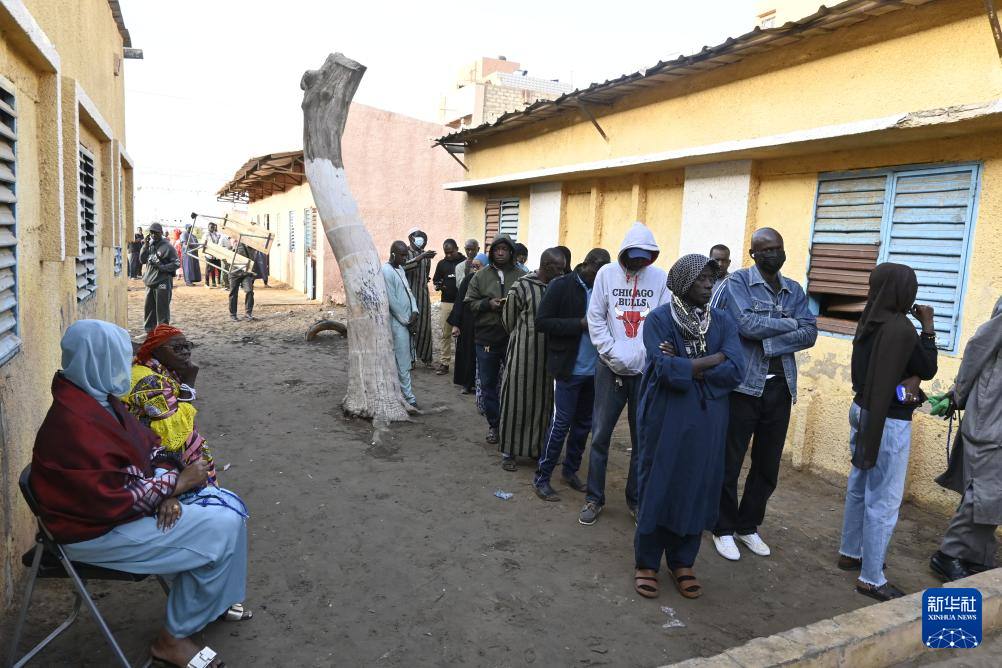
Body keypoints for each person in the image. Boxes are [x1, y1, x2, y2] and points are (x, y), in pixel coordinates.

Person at [30, 320, 247, 668]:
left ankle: (211, 602)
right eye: (119, 359)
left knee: (227, 506)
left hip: (123, 514)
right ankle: (172, 640)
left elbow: (152, 447)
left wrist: (167, 489)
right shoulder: (73, 424)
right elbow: (111, 498)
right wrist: (175, 484)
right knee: (221, 527)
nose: (126, 367)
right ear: (97, 361)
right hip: (92, 533)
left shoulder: (99, 401)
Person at [632, 255, 744, 600]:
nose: (709, 285)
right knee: (660, 482)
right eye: (702, 279)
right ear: (683, 283)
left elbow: (736, 369)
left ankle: (682, 561)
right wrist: (714, 358)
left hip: (709, 416)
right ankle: (647, 562)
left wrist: (689, 365)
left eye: (712, 279)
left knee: (698, 484)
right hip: (667, 414)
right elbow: (664, 369)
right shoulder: (659, 319)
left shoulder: (722, 320)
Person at [710, 228, 817, 561]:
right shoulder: (738, 282)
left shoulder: (794, 289)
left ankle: (747, 526)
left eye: (778, 248)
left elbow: (810, 332)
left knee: (768, 464)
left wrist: (769, 337)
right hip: (743, 386)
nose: (774, 254)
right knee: (730, 461)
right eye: (766, 249)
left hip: (780, 387)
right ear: (753, 253)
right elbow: (745, 325)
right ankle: (722, 527)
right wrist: (789, 323)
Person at [836, 263, 937, 600]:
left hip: (862, 409)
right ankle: (871, 578)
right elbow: (927, 367)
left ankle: (850, 552)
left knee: (859, 485)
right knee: (885, 498)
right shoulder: (902, 328)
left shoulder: (869, 319)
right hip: (887, 419)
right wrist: (928, 328)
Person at [579, 222, 669, 526]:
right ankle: (594, 497)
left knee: (641, 439)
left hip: (644, 370)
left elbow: (662, 320)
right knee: (600, 435)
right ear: (624, 253)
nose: (639, 261)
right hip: (609, 368)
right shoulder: (606, 275)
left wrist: (643, 355)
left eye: (645, 256)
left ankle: (636, 500)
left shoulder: (660, 278)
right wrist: (611, 352)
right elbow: (596, 317)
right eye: (634, 256)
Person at [929, 297, 1002, 581]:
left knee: (993, 496)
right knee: (983, 493)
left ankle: (976, 558)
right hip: (991, 420)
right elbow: (977, 349)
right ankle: (948, 555)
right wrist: (957, 395)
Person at [532, 248, 611, 501]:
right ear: (586, 264)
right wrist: (579, 324)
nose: (601, 275)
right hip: (568, 368)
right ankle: (542, 478)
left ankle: (570, 470)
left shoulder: (605, 289)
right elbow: (542, 322)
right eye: (598, 270)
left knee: (583, 425)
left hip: (596, 371)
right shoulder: (561, 285)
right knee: (561, 424)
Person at [498, 248, 566, 470]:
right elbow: (508, 322)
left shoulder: (559, 287)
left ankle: (537, 449)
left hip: (548, 357)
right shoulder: (521, 286)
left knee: (542, 404)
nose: (562, 272)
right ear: (546, 266)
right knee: (516, 401)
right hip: (522, 355)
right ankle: (509, 451)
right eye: (558, 268)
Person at [465, 235, 526, 444]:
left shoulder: (522, 276)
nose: (500, 252)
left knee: (515, 383)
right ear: (491, 252)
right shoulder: (480, 276)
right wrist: (487, 304)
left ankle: (513, 425)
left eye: (505, 249)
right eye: (497, 249)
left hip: (513, 337)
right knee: (488, 384)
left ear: (511, 252)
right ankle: (495, 425)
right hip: (487, 337)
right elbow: (469, 303)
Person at [382, 241, 420, 406]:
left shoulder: (400, 269)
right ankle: (409, 398)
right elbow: (392, 301)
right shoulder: (386, 271)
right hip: (398, 323)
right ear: (393, 254)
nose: (405, 258)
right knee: (402, 361)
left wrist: (415, 311)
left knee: (407, 358)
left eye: (406, 255)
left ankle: (405, 395)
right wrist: (406, 321)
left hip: (408, 321)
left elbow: (409, 292)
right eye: (402, 255)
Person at [449, 253, 487, 394]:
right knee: (467, 353)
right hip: (467, 323)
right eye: (473, 266)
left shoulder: (490, 281)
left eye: (478, 266)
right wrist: (455, 324)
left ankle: (481, 385)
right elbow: (459, 302)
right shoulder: (468, 279)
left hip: (485, 324)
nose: (475, 269)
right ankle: (466, 383)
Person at [403, 228, 437, 366]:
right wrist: (420, 257)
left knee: (425, 326)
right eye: (420, 238)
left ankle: (426, 358)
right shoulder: (404, 252)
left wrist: (423, 257)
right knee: (409, 325)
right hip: (407, 295)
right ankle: (409, 359)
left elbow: (426, 274)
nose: (422, 242)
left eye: (424, 239)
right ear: (411, 238)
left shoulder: (426, 256)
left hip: (422, 294)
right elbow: (403, 267)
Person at [432, 239, 466, 375]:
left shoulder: (465, 262)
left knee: (462, 334)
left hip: (462, 303)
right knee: (445, 333)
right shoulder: (442, 264)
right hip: (446, 302)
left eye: (451, 252)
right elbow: (436, 280)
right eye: (446, 253)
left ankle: (462, 365)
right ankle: (444, 363)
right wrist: (439, 285)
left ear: (457, 248)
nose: (449, 255)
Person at [141, 222, 180, 333]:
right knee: (149, 309)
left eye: (156, 232)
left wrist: (162, 267)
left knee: (162, 310)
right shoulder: (150, 245)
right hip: (150, 282)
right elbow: (142, 260)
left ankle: (163, 334)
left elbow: (176, 263)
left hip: (162, 283)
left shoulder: (168, 247)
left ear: (161, 233)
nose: (153, 235)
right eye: (151, 232)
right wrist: (145, 246)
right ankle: (149, 333)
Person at [228, 242, 256, 322]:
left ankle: (248, 313)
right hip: (234, 272)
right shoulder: (237, 244)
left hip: (246, 274)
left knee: (249, 291)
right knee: (233, 293)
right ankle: (233, 314)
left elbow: (253, 261)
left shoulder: (254, 248)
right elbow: (229, 256)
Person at [204, 222, 222, 289]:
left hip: (216, 255)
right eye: (211, 227)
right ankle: (207, 283)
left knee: (219, 269)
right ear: (208, 227)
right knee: (209, 269)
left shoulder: (216, 234)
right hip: (209, 255)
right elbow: (204, 243)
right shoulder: (206, 234)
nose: (212, 228)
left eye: (213, 227)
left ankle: (217, 283)